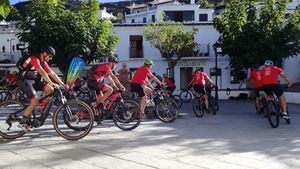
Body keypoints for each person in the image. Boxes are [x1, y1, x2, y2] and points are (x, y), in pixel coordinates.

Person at [16, 46, 65, 131]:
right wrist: (52, 83)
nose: (50, 58)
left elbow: (52, 73)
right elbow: (43, 73)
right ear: (44, 54)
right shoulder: (34, 59)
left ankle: (43, 110)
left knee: (50, 89)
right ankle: (23, 122)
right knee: (35, 100)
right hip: (24, 81)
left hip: (34, 81)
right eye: (50, 56)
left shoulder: (43, 63)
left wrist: (62, 83)